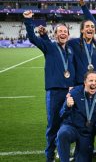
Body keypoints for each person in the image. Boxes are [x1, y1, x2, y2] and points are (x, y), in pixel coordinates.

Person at [23, 10, 75, 162]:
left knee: (67, 123)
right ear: (55, 34)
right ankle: (50, 156)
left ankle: (62, 151)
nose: (63, 34)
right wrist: (28, 21)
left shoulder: (70, 50)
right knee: (53, 125)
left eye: (65, 31)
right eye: (60, 31)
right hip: (54, 92)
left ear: (68, 34)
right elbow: (32, 38)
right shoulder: (50, 47)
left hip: (69, 92)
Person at [56, 71, 96, 162]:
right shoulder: (74, 93)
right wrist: (67, 106)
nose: (94, 83)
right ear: (85, 82)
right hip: (72, 127)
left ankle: (78, 152)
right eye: (91, 80)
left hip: (86, 132)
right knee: (63, 133)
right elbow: (62, 114)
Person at [68, 20, 96, 85]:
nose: (90, 28)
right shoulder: (73, 43)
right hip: (80, 82)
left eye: (92, 27)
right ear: (82, 30)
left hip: (94, 83)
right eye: (87, 26)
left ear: (94, 31)